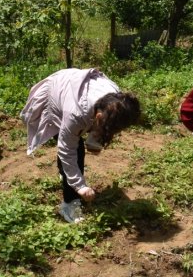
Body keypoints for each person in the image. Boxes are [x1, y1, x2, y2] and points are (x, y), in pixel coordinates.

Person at [21, 68, 141, 224]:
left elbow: (107, 124)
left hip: (75, 88)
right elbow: (66, 149)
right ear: (98, 116)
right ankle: (68, 203)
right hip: (56, 93)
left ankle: (67, 174)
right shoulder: (74, 114)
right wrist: (80, 186)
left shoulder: (117, 100)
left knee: (74, 152)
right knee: (75, 152)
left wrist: (96, 140)